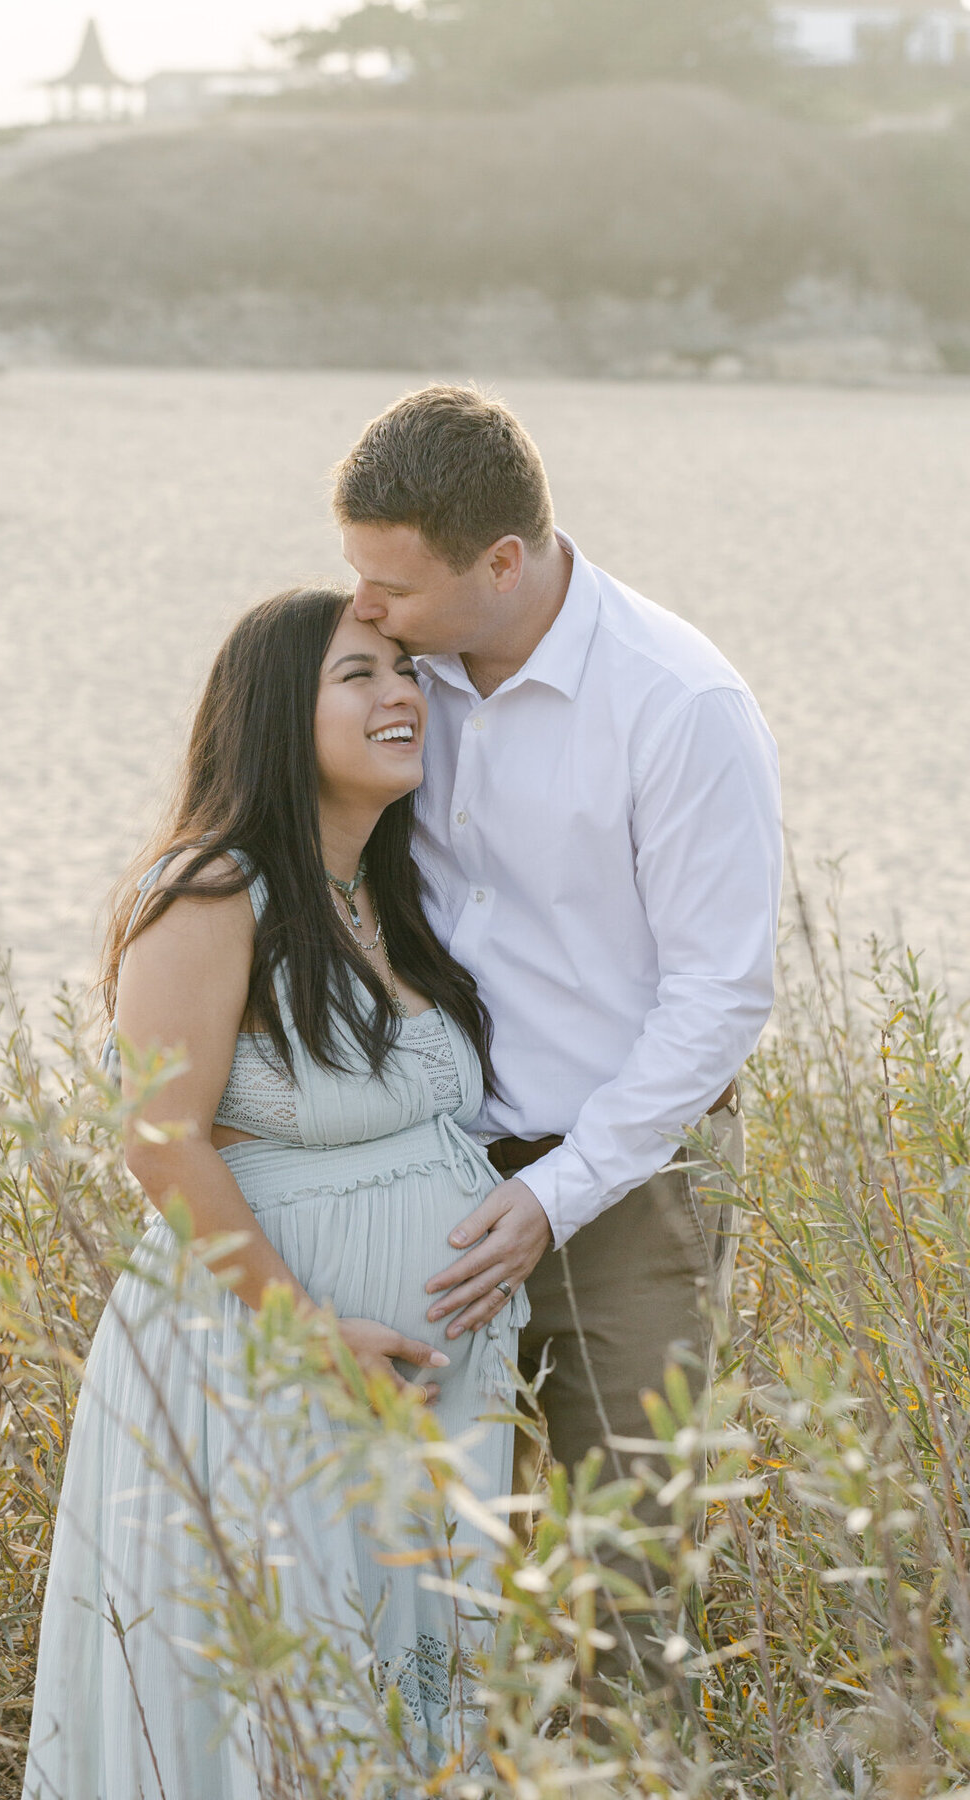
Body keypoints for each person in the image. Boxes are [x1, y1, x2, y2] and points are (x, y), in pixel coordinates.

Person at [22, 586, 529, 1800]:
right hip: (266, 1361)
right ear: (268, 713)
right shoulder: (211, 888)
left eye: (406, 671)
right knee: (278, 1692)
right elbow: (159, 1139)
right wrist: (310, 1341)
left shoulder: (388, 897)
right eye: (358, 675)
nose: (402, 694)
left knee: (409, 1694)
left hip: (419, 1387)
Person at [335, 384, 783, 1699]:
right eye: (356, 576)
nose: (364, 608)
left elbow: (721, 993)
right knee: (411, 1562)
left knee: (613, 1584)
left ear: (504, 563)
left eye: (392, 585)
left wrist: (555, 1193)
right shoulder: (392, 673)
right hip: (423, 1180)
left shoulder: (679, 703)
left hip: (626, 1193)